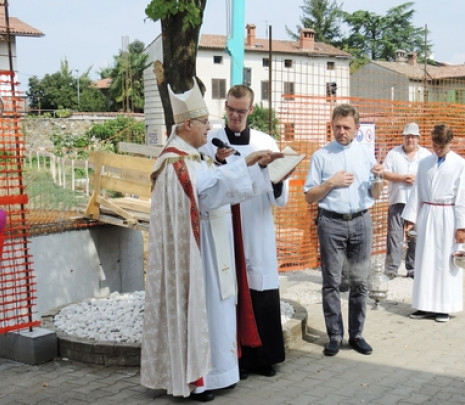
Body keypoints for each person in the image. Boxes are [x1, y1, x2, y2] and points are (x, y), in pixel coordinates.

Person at [141, 79, 282, 402]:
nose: (209, 129)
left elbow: (218, 189)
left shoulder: (193, 156)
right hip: (195, 253)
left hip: (212, 247)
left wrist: (252, 167)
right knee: (204, 312)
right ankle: (199, 380)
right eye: (204, 123)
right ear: (187, 124)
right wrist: (244, 164)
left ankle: (221, 372)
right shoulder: (174, 161)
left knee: (220, 311)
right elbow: (205, 192)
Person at [201, 84, 288, 378]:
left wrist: (277, 179)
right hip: (224, 222)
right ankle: (233, 360)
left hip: (257, 222)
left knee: (259, 286)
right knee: (230, 289)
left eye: (241, 111)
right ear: (225, 106)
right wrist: (219, 161)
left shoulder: (266, 141)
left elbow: (281, 197)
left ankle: (263, 357)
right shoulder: (210, 141)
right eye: (230, 109)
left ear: (252, 110)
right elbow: (206, 182)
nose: (235, 116)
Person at [303, 104, 384, 356]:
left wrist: (379, 179)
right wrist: (331, 183)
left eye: (346, 127)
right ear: (332, 125)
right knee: (332, 282)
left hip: (361, 221)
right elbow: (309, 196)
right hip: (331, 223)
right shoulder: (321, 156)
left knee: (360, 281)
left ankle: (356, 334)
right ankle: (335, 335)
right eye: (337, 126)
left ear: (356, 129)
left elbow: (375, 193)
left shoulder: (365, 154)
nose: (341, 131)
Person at [402, 124, 465, 323]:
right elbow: (417, 190)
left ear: (450, 143)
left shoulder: (460, 164)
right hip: (427, 214)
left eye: (442, 147)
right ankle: (424, 304)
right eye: (435, 146)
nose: (438, 150)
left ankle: (444, 306)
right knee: (425, 260)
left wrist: (462, 226)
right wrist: (411, 217)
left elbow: (464, 196)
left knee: (445, 261)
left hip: (448, 216)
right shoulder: (425, 162)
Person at [382, 122, 431, 279]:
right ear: (403, 137)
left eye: (413, 137)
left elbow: (431, 175)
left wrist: (417, 180)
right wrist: (402, 178)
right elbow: (384, 173)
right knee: (394, 236)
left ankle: (413, 268)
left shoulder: (426, 155)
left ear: (418, 138)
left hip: (418, 202)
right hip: (397, 200)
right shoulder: (393, 154)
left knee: (415, 236)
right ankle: (391, 269)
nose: (410, 139)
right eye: (408, 136)